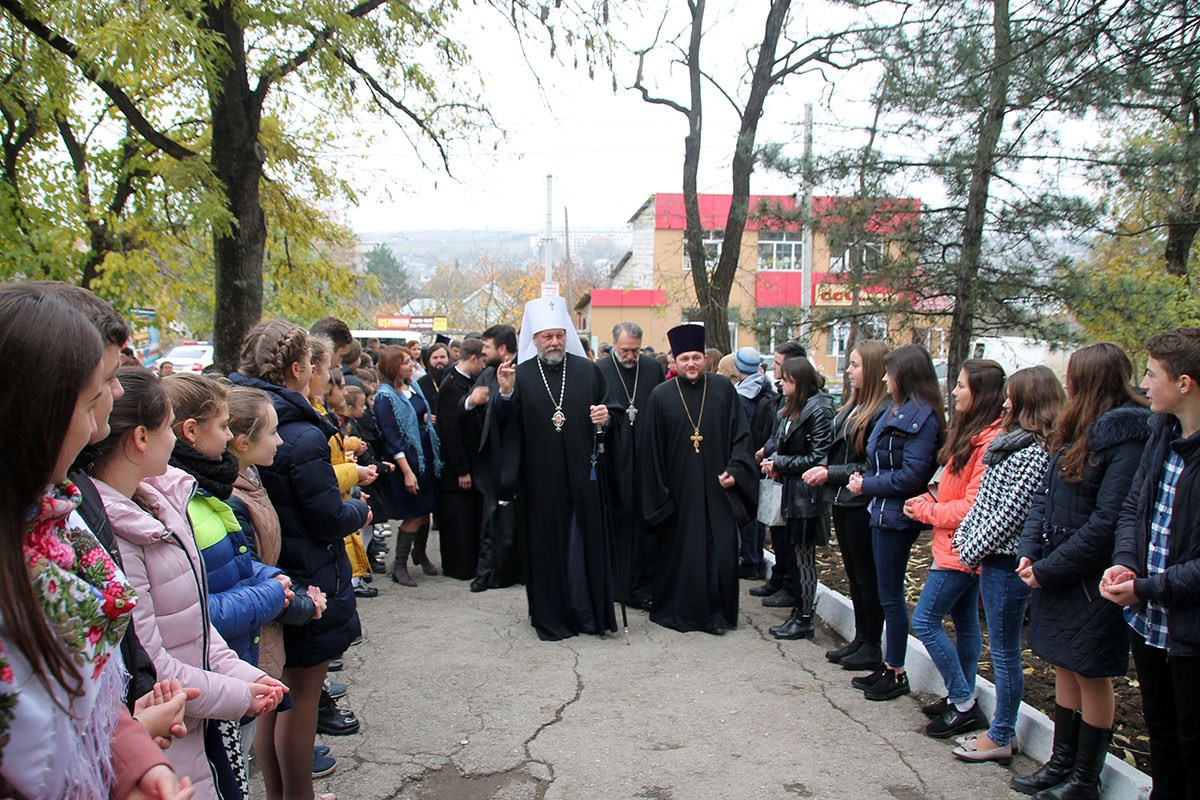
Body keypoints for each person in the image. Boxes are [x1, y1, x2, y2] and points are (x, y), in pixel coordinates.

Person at [0, 287, 192, 800]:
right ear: (40, 415)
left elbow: (81, 704)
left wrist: (133, 761)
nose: (117, 395)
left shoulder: (54, 516)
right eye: (100, 389)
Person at [91, 368, 287, 800]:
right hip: (172, 729)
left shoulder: (163, 501)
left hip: (198, 713)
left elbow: (196, 623)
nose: (175, 441)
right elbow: (152, 658)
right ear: (142, 438)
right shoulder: (121, 530)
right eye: (168, 428)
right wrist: (238, 693)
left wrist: (242, 674)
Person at [231, 320, 369, 800]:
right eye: (315, 365)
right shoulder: (302, 435)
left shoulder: (249, 415)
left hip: (274, 574)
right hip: (307, 575)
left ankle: (279, 793)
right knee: (301, 699)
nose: (321, 374)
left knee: (275, 696)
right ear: (297, 369)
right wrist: (360, 510)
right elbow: (326, 516)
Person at [1012, 343, 1150, 798]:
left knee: (1090, 673)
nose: (1066, 382)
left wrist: (1049, 569)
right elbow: (1043, 497)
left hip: (1090, 579)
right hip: (1057, 568)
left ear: (1090, 381)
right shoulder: (1076, 431)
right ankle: (1061, 763)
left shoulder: (1126, 438)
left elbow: (1108, 523)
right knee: (1064, 666)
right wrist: (1030, 553)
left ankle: (1085, 779)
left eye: (1073, 374)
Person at [162, 374, 293, 797]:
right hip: (208, 680)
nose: (228, 434)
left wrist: (271, 578)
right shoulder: (183, 503)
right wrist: (274, 592)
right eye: (222, 426)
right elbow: (200, 610)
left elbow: (242, 562)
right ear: (191, 431)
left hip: (233, 665)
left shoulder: (205, 492)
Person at [1103, 328, 1200, 800]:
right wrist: (1125, 562)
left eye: (1151, 374)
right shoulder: (1161, 431)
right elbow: (1134, 509)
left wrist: (1145, 588)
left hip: (1190, 630)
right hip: (1151, 621)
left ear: (1184, 383)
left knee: (1193, 743)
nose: (1142, 384)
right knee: (1160, 731)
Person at [951, 366, 1064, 764]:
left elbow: (1011, 514)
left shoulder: (1035, 452)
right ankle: (1001, 730)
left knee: (1004, 652)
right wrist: (967, 539)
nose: (1004, 402)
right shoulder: (1011, 443)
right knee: (1000, 648)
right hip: (991, 557)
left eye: (1011, 395)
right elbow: (985, 502)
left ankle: (1000, 734)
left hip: (1006, 563)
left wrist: (969, 549)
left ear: (1029, 400)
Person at [226, 385, 333, 796]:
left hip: (270, 617)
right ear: (243, 441)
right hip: (257, 628)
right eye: (272, 432)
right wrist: (300, 603)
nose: (280, 441)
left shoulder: (252, 478)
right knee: (247, 738)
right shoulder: (234, 497)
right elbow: (243, 576)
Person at [490, 297, 617, 641]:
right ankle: (552, 616)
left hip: (582, 478)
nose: (554, 342)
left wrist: (605, 418)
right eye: (547, 337)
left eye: (559, 335)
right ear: (534, 339)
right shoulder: (520, 375)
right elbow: (503, 426)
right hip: (539, 481)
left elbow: (610, 414)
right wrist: (505, 394)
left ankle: (587, 615)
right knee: (546, 549)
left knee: (581, 547)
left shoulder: (587, 371)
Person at [906, 360, 1006, 736]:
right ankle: (958, 696)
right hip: (956, 547)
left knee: (925, 621)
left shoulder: (990, 442)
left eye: (961, 386)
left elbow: (972, 507)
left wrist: (926, 511)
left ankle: (964, 703)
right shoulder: (972, 433)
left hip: (961, 550)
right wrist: (929, 500)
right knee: (964, 623)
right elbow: (953, 489)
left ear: (980, 394)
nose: (955, 391)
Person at [639, 324, 757, 635]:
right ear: (674, 361)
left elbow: (742, 436)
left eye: (696, 357)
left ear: (705, 358)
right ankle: (683, 613)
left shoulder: (723, 389)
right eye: (684, 359)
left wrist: (736, 469)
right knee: (683, 555)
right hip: (678, 493)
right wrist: (660, 495)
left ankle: (715, 616)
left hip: (718, 487)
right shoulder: (660, 396)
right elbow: (651, 452)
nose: (690, 364)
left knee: (719, 553)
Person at [846, 344, 945, 701]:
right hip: (882, 510)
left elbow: (911, 476)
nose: (885, 378)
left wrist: (867, 485)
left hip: (897, 516)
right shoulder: (898, 409)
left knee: (890, 595)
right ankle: (889, 666)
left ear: (904, 375)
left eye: (890, 372)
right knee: (885, 592)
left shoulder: (922, 418)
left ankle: (896, 671)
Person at [803, 340, 890, 672]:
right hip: (842, 498)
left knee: (867, 577)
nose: (848, 370)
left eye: (855, 365)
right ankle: (861, 638)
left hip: (860, 500)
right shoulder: (855, 405)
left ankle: (871, 644)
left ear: (873, 369)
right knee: (854, 574)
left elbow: (870, 465)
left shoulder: (880, 411)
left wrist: (831, 473)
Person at [760, 356, 834, 641]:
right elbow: (782, 441)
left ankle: (804, 618)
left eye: (787, 380)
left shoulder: (819, 409)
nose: (780, 383)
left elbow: (818, 457)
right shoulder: (792, 406)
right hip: (793, 493)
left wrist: (779, 463)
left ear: (800, 382)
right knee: (795, 555)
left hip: (807, 498)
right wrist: (774, 459)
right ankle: (799, 612)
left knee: (804, 558)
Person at [596, 321, 666, 608]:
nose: (630, 356)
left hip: (647, 457)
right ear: (614, 344)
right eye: (625, 350)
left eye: (635, 351)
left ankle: (641, 584)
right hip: (614, 459)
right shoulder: (600, 370)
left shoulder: (651, 369)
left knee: (644, 521)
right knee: (618, 521)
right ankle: (615, 584)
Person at [750, 340, 809, 609]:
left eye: (778, 364)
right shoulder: (784, 396)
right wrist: (767, 449)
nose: (774, 368)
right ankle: (779, 578)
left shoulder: (809, 402)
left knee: (790, 540)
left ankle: (790, 587)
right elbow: (779, 433)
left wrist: (777, 458)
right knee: (777, 533)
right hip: (778, 474)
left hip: (795, 482)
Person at [375, 345, 441, 585]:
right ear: (393, 366)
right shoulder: (384, 397)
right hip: (407, 462)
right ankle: (399, 565)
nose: (411, 364)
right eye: (405, 362)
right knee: (414, 512)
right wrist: (407, 472)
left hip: (424, 458)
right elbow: (392, 438)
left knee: (425, 510)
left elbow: (415, 412)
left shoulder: (411, 386)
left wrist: (423, 419)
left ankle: (420, 553)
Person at [471, 324, 521, 590]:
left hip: (519, 458)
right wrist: (472, 401)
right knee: (491, 521)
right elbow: (467, 405)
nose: (482, 352)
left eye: (486, 347)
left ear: (502, 349)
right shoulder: (488, 373)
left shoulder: (526, 372)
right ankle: (487, 572)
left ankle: (513, 570)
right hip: (492, 460)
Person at [436, 337, 488, 581]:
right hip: (457, 468)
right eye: (483, 361)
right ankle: (459, 567)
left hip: (471, 462)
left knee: (469, 520)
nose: (484, 366)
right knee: (459, 521)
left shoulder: (469, 381)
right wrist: (461, 469)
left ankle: (469, 564)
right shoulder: (450, 385)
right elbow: (450, 430)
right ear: (473, 358)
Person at [732, 345, 775, 581]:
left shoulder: (741, 397)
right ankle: (755, 559)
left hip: (747, 460)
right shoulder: (767, 390)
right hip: (763, 458)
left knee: (746, 512)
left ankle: (750, 560)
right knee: (757, 513)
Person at [417, 342, 451, 417]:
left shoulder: (457, 378)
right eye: (435, 358)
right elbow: (417, 408)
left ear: (448, 358)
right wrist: (424, 416)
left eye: (442, 357)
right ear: (429, 360)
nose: (439, 360)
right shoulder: (421, 383)